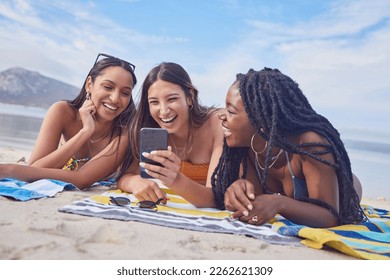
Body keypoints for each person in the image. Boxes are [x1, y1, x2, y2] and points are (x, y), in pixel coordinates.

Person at [212, 67, 366, 228]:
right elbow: (256, 200)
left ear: (261, 122)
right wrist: (238, 191)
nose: (221, 115)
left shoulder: (309, 145)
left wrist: (280, 203)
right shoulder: (246, 147)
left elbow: (329, 216)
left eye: (230, 111)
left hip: (345, 193)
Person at [0, 53, 137, 190]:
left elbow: (82, 180)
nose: (115, 98)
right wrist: (85, 132)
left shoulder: (127, 130)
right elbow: (34, 168)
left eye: (125, 93)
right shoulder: (62, 112)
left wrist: (10, 170)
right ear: (89, 84)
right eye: (108, 87)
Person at [118, 62, 223, 207]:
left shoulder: (217, 124)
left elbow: (216, 198)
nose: (164, 111)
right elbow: (125, 176)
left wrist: (176, 180)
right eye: (154, 102)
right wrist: (134, 182)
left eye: (172, 99)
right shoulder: (149, 129)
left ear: (190, 96)